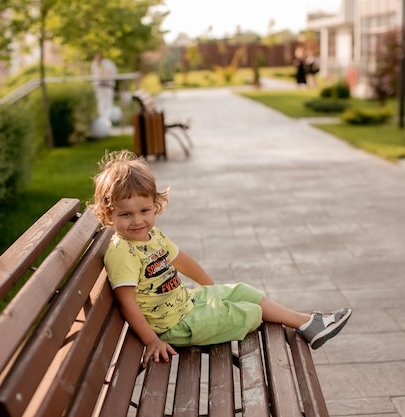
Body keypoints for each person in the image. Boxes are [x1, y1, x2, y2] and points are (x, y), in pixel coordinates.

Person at [91, 150, 352, 367]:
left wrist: (212, 289)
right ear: (108, 213)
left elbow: (183, 261)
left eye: (145, 211)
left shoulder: (153, 236)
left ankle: (307, 322)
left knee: (242, 291)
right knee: (252, 312)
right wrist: (152, 341)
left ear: (155, 205)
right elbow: (127, 304)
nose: (138, 220)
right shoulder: (122, 253)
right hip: (175, 325)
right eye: (126, 215)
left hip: (186, 303)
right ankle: (306, 324)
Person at [91, 53, 118, 119]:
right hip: (99, 87)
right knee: (101, 103)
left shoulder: (108, 63)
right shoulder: (94, 64)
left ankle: (108, 118)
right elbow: (94, 75)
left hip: (108, 86)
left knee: (108, 103)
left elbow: (114, 73)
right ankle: (102, 118)